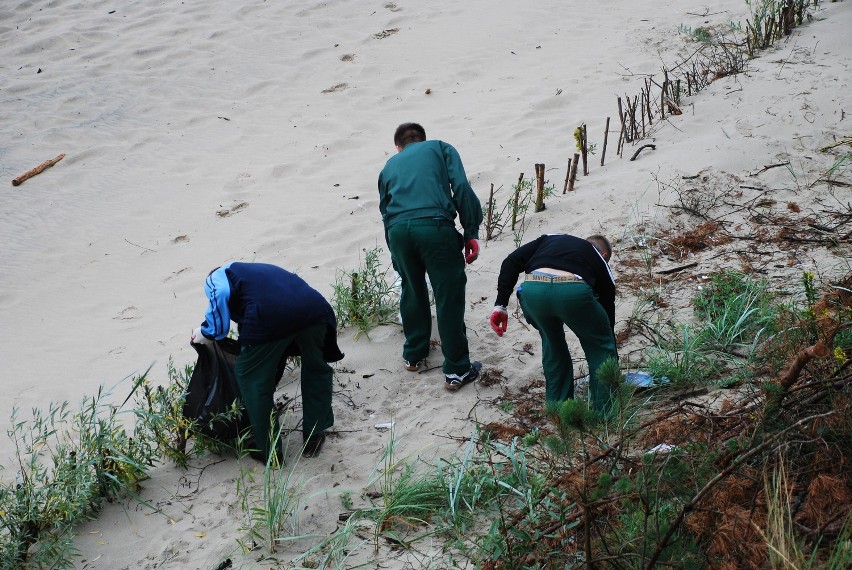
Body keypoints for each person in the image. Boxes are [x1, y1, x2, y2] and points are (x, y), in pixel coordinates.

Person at [191, 262, 344, 462]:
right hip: (315, 309)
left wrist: (205, 332)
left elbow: (219, 300)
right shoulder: (256, 271)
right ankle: (314, 435)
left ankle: (270, 451)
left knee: (251, 379)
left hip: (269, 315)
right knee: (316, 369)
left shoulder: (217, 276)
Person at [378, 122, 484, 390]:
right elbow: (460, 185)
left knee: (412, 290)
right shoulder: (440, 147)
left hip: (399, 232)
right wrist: (470, 230)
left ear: (398, 146)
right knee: (448, 295)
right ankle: (457, 370)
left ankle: (414, 355)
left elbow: (385, 210)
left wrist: (394, 251)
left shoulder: (389, 166)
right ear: (422, 140)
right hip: (435, 226)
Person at [489, 234, 617, 413]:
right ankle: (605, 413)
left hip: (534, 290)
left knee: (552, 342)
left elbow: (511, 261)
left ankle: (558, 411)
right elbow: (607, 311)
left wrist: (500, 305)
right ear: (604, 255)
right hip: (573, 290)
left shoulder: (549, 239)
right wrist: (608, 341)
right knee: (600, 347)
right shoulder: (599, 259)